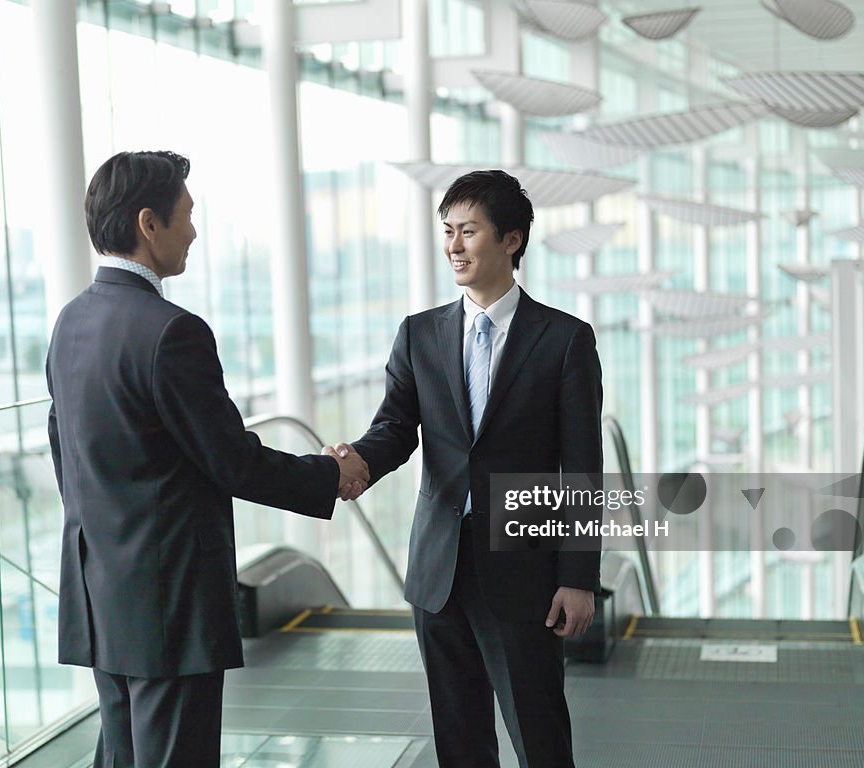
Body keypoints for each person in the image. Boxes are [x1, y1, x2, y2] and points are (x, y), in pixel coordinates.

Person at [46, 150, 369, 768]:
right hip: (169, 602)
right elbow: (231, 461)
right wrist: (331, 474)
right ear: (149, 223)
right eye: (186, 216)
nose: (194, 230)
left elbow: (66, 452)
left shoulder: (72, 321)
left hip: (102, 594)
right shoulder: (171, 330)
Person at [326, 170, 603, 767]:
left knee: (540, 734)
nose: (454, 245)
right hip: (439, 571)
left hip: (524, 570)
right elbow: (395, 428)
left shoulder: (564, 340)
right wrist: (359, 461)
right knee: (459, 739)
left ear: (511, 239)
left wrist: (579, 576)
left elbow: (582, 468)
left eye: (469, 230)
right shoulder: (419, 333)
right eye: (447, 230)